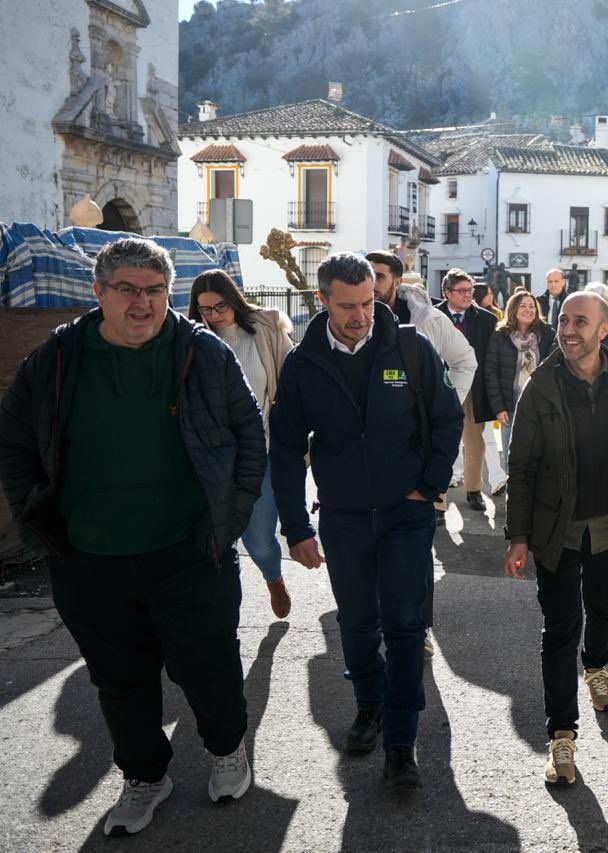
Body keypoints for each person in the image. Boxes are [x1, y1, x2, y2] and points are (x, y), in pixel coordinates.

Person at [0, 238, 263, 835]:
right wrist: (42, 525)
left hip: (191, 554)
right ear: (99, 292)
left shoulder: (202, 354)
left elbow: (250, 436)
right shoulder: (57, 359)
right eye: (128, 290)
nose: (142, 303)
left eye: (154, 291)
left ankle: (226, 750)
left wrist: (229, 521)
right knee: (119, 680)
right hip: (88, 560)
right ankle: (145, 775)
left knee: (210, 667)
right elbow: (14, 443)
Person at [270, 253, 463, 789]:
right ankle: (369, 707)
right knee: (356, 623)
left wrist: (429, 484)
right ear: (322, 301)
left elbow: (446, 418)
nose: (361, 316)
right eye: (348, 306)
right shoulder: (304, 363)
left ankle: (402, 740)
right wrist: (296, 528)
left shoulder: (410, 346)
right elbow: (284, 450)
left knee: (405, 624)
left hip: (407, 513)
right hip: (343, 517)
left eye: (368, 303)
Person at [503, 291, 608, 786]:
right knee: (560, 627)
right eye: (564, 320)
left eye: (580, 322)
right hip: (557, 530)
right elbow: (521, 467)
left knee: (605, 608)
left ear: (604, 329)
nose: (568, 330)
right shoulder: (541, 386)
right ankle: (562, 737)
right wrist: (519, 536)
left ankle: (596, 666)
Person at [189, 269, 294, 619]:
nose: (214, 315)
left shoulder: (266, 329)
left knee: (261, 540)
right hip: (213, 459)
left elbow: (291, 380)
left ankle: (273, 577)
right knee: (216, 541)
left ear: (234, 300)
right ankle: (222, 616)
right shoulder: (192, 342)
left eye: (220, 306)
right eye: (205, 309)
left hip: (262, 454)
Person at [367, 251, 476, 527]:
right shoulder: (350, 319)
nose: (372, 283)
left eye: (379, 276)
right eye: (367, 275)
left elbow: (465, 361)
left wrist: (445, 402)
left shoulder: (427, 320)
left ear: (397, 281)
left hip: (414, 448)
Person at [438, 268, 500, 512]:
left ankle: (474, 490)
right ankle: (437, 496)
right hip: (441, 389)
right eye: (462, 291)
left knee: (474, 441)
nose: (468, 295)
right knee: (440, 441)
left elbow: (493, 358)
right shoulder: (432, 316)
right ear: (447, 292)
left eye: (470, 290)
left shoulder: (486, 319)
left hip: (474, 389)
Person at [484, 288, 555, 462]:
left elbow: (554, 368)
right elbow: (490, 372)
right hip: (510, 404)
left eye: (532, 306)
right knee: (512, 453)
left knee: (540, 453)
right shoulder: (500, 336)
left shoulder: (546, 334)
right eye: (523, 306)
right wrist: (499, 408)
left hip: (541, 403)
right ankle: (513, 489)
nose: (528, 309)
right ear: (513, 309)